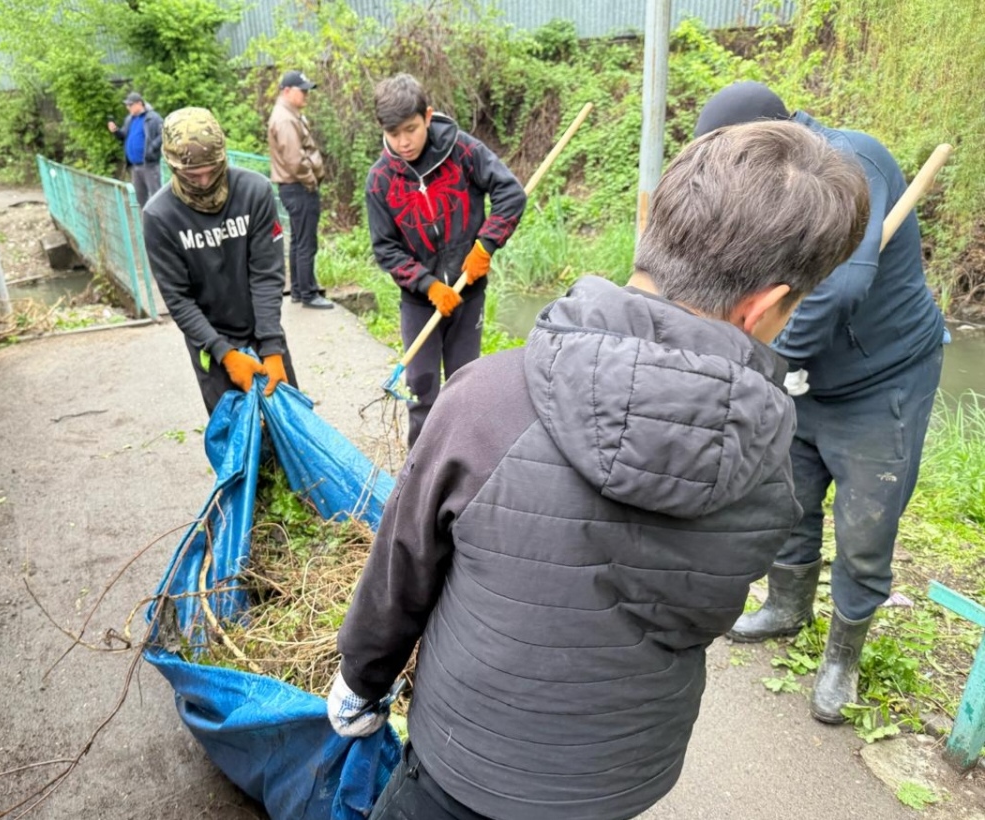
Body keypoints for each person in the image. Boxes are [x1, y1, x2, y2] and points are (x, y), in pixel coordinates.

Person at [327, 120, 871, 820]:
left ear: (653, 222)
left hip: (462, 763)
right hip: (618, 780)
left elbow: (401, 571)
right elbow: (703, 612)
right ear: (764, 304)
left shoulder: (483, 400)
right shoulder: (768, 461)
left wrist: (360, 679)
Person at [695, 82, 947, 723]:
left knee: (866, 525)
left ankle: (844, 656)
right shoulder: (758, 189)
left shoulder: (848, 164)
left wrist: (772, 366)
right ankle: (786, 607)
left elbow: (838, 290)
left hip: (882, 378)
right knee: (791, 495)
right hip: (805, 375)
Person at [365, 74, 527, 448]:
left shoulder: (463, 151)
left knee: (464, 383)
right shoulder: (379, 181)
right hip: (420, 302)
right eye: (394, 134)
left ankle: (464, 462)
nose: (403, 142)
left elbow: (510, 193)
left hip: (468, 292)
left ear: (428, 116)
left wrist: (486, 245)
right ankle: (420, 471)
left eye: (411, 129)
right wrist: (428, 284)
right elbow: (386, 248)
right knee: (422, 388)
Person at [142, 107, 297, 416]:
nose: (202, 181)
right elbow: (178, 299)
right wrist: (224, 354)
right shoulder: (159, 216)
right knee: (238, 442)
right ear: (172, 166)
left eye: (211, 170)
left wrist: (271, 346)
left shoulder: (254, 192)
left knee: (291, 428)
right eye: (191, 174)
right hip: (211, 345)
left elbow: (266, 274)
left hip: (261, 331)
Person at [268, 69, 333, 309]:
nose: (306, 94)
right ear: (287, 91)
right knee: (306, 242)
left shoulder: (289, 114)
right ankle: (308, 293)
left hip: (293, 186)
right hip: (298, 187)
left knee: (298, 240)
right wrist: (311, 181)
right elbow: (295, 160)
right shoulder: (285, 118)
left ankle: (298, 289)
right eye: (302, 90)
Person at [109, 92, 164, 208]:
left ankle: (161, 224)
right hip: (135, 166)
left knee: (157, 197)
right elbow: (123, 135)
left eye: (130, 105)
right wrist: (115, 131)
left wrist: (152, 148)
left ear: (139, 104)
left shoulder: (153, 117)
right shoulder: (130, 119)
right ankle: (146, 224)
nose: (127, 107)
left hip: (149, 164)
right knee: (141, 199)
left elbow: (164, 134)